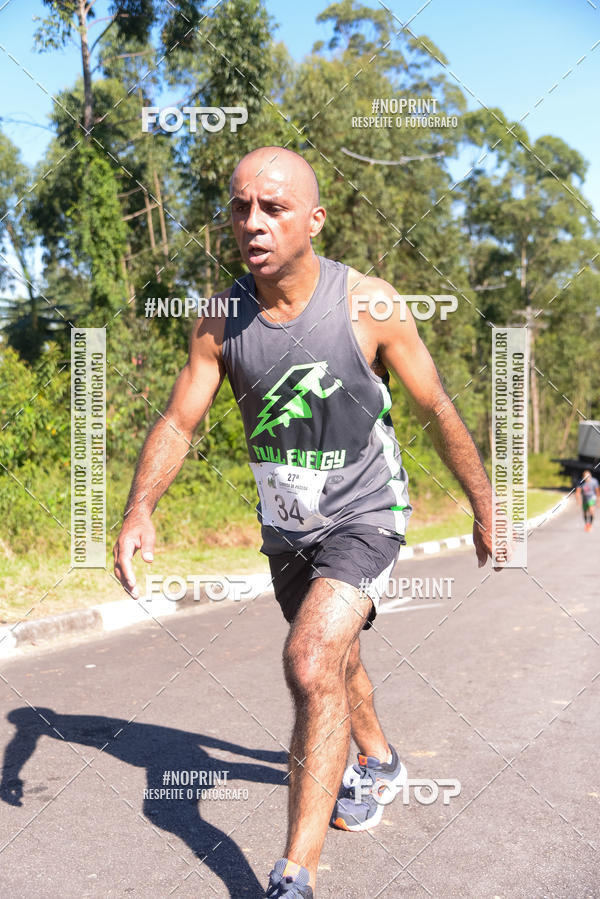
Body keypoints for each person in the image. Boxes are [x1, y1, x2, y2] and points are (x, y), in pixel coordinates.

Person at [113, 146, 497, 898]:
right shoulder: (222, 317)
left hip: (366, 512)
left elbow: (436, 407)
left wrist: (484, 502)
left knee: (311, 657)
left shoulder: (369, 305)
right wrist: (140, 506)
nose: (252, 222)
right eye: (239, 206)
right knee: (335, 657)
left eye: (274, 207)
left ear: (314, 219)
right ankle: (380, 762)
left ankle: (294, 875)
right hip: (287, 531)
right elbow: (180, 421)